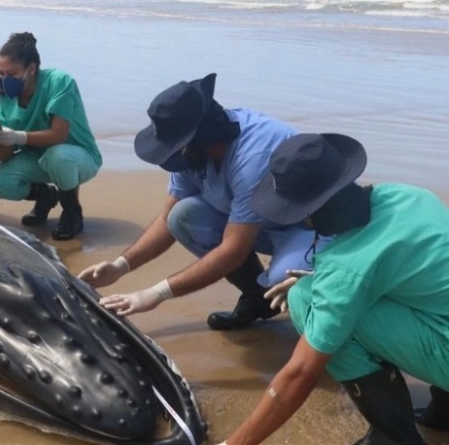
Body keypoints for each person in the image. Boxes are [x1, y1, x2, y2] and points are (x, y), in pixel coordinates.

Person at [217, 133, 449, 445]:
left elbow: (299, 374)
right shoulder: (405, 196)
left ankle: (393, 436)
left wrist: (234, 443)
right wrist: (323, 277)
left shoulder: (345, 270)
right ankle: (445, 411)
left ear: (308, 214)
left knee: (304, 298)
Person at [79, 73, 316, 330]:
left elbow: (234, 250)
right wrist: (119, 267)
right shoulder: (192, 152)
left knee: (284, 281)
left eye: (176, 147)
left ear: (203, 138)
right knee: (183, 215)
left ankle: (328, 327)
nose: (171, 157)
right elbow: (167, 219)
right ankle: (256, 296)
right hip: (260, 224)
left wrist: (157, 293)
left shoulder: (252, 158)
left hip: (308, 228)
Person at [0, 32, 102, 240]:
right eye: (1, 73)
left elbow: (59, 134)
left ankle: (72, 212)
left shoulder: (59, 82)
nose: (5, 79)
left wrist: (18, 137)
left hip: (77, 157)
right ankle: (45, 196)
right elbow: (9, 150)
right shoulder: (7, 96)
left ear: (32, 68)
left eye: (11, 73)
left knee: (58, 156)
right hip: (36, 158)